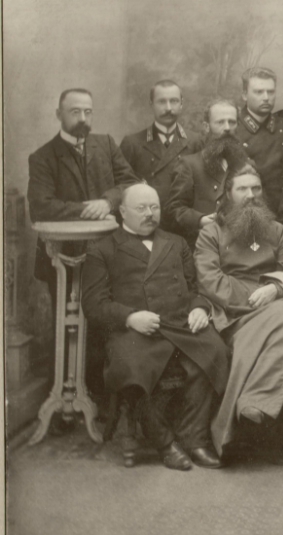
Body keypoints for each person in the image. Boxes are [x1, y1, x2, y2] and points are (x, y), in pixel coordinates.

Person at [81, 184, 228, 470]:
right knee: (131, 367)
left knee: (215, 351)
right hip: (134, 330)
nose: (150, 214)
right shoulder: (102, 248)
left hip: (179, 323)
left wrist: (199, 307)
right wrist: (130, 317)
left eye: (155, 207)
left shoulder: (176, 242)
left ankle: (194, 438)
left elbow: (195, 288)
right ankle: (165, 443)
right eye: (141, 208)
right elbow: (93, 304)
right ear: (122, 211)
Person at [27, 87, 139, 397]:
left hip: (106, 254)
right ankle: (65, 395)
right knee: (66, 324)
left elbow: (129, 182)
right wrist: (87, 209)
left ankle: (101, 397)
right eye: (75, 111)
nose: (83, 118)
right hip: (61, 257)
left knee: (104, 321)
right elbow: (41, 206)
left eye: (88, 112)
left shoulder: (106, 144)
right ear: (59, 114)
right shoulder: (43, 157)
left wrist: (108, 201)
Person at [195, 164, 283, 465]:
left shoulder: (276, 231)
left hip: (272, 305)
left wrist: (275, 289)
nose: (251, 195)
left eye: (256, 188)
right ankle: (272, 435)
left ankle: (254, 408)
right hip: (232, 312)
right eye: (242, 189)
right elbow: (210, 281)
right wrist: (261, 295)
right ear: (228, 194)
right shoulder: (211, 232)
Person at [166, 99, 249, 248]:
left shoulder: (246, 165)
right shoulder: (190, 164)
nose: (227, 128)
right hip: (203, 244)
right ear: (206, 127)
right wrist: (200, 220)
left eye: (232, 122)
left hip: (240, 244)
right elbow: (174, 208)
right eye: (220, 122)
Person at [119, 80, 200, 225]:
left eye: (174, 101)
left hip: (183, 226)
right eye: (162, 102)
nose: (168, 108)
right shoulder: (132, 143)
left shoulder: (196, 141)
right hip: (146, 224)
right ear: (151, 104)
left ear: (181, 104)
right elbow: (122, 188)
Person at [233, 66, 283, 215]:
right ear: (244, 95)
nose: (266, 97)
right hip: (243, 213)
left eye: (270, 92)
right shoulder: (233, 129)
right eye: (259, 92)